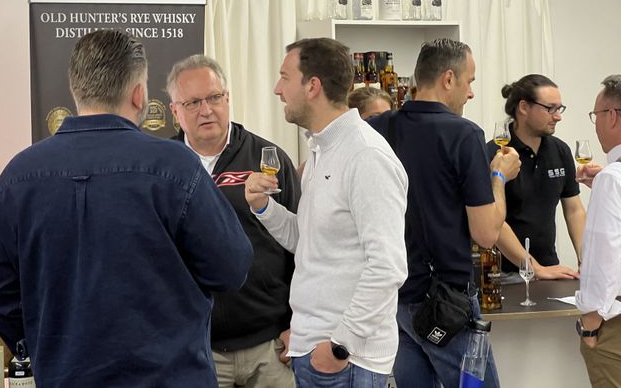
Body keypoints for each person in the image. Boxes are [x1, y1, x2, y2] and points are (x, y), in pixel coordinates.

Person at [0, 30, 253, 387]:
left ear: (76, 90)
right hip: (169, 377)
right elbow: (231, 268)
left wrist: (44, 345)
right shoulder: (175, 167)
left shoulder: (17, 176)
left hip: (66, 377)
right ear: (139, 94)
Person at [244, 37, 408, 388]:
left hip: (345, 361)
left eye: (284, 77)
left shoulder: (366, 156)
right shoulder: (322, 149)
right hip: (316, 351)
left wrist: (339, 346)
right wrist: (264, 207)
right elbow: (310, 241)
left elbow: (388, 266)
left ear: (312, 86)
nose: (277, 89)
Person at [368, 38, 521, 388]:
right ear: (448, 79)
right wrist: (499, 177)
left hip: (394, 298)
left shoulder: (378, 128)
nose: (471, 93)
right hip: (445, 302)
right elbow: (486, 234)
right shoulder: (463, 134)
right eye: (469, 82)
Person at [166, 54, 300, 388]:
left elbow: (303, 248)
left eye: (214, 97)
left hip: (271, 345)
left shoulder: (269, 159)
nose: (206, 110)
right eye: (193, 102)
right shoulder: (161, 168)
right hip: (195, 349)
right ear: (174, 111)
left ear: (227, 98)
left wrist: (298, 322)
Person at [486, 74, 585, 279]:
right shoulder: (494, 154)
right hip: (504, 275)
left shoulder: (560, 151)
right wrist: (535, 268)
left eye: (559, 109)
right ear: (523, 107)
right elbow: (493, 221)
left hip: (549, 269)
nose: (558, 116)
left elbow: (574, 209)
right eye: (550, 108)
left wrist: (585, 259)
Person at [574, 75, 621, 386]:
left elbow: (604, 257)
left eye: (596, 115)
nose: (595, 125)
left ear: (612, 116)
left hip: (615, 326)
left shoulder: (612, 179)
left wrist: (590, 325)